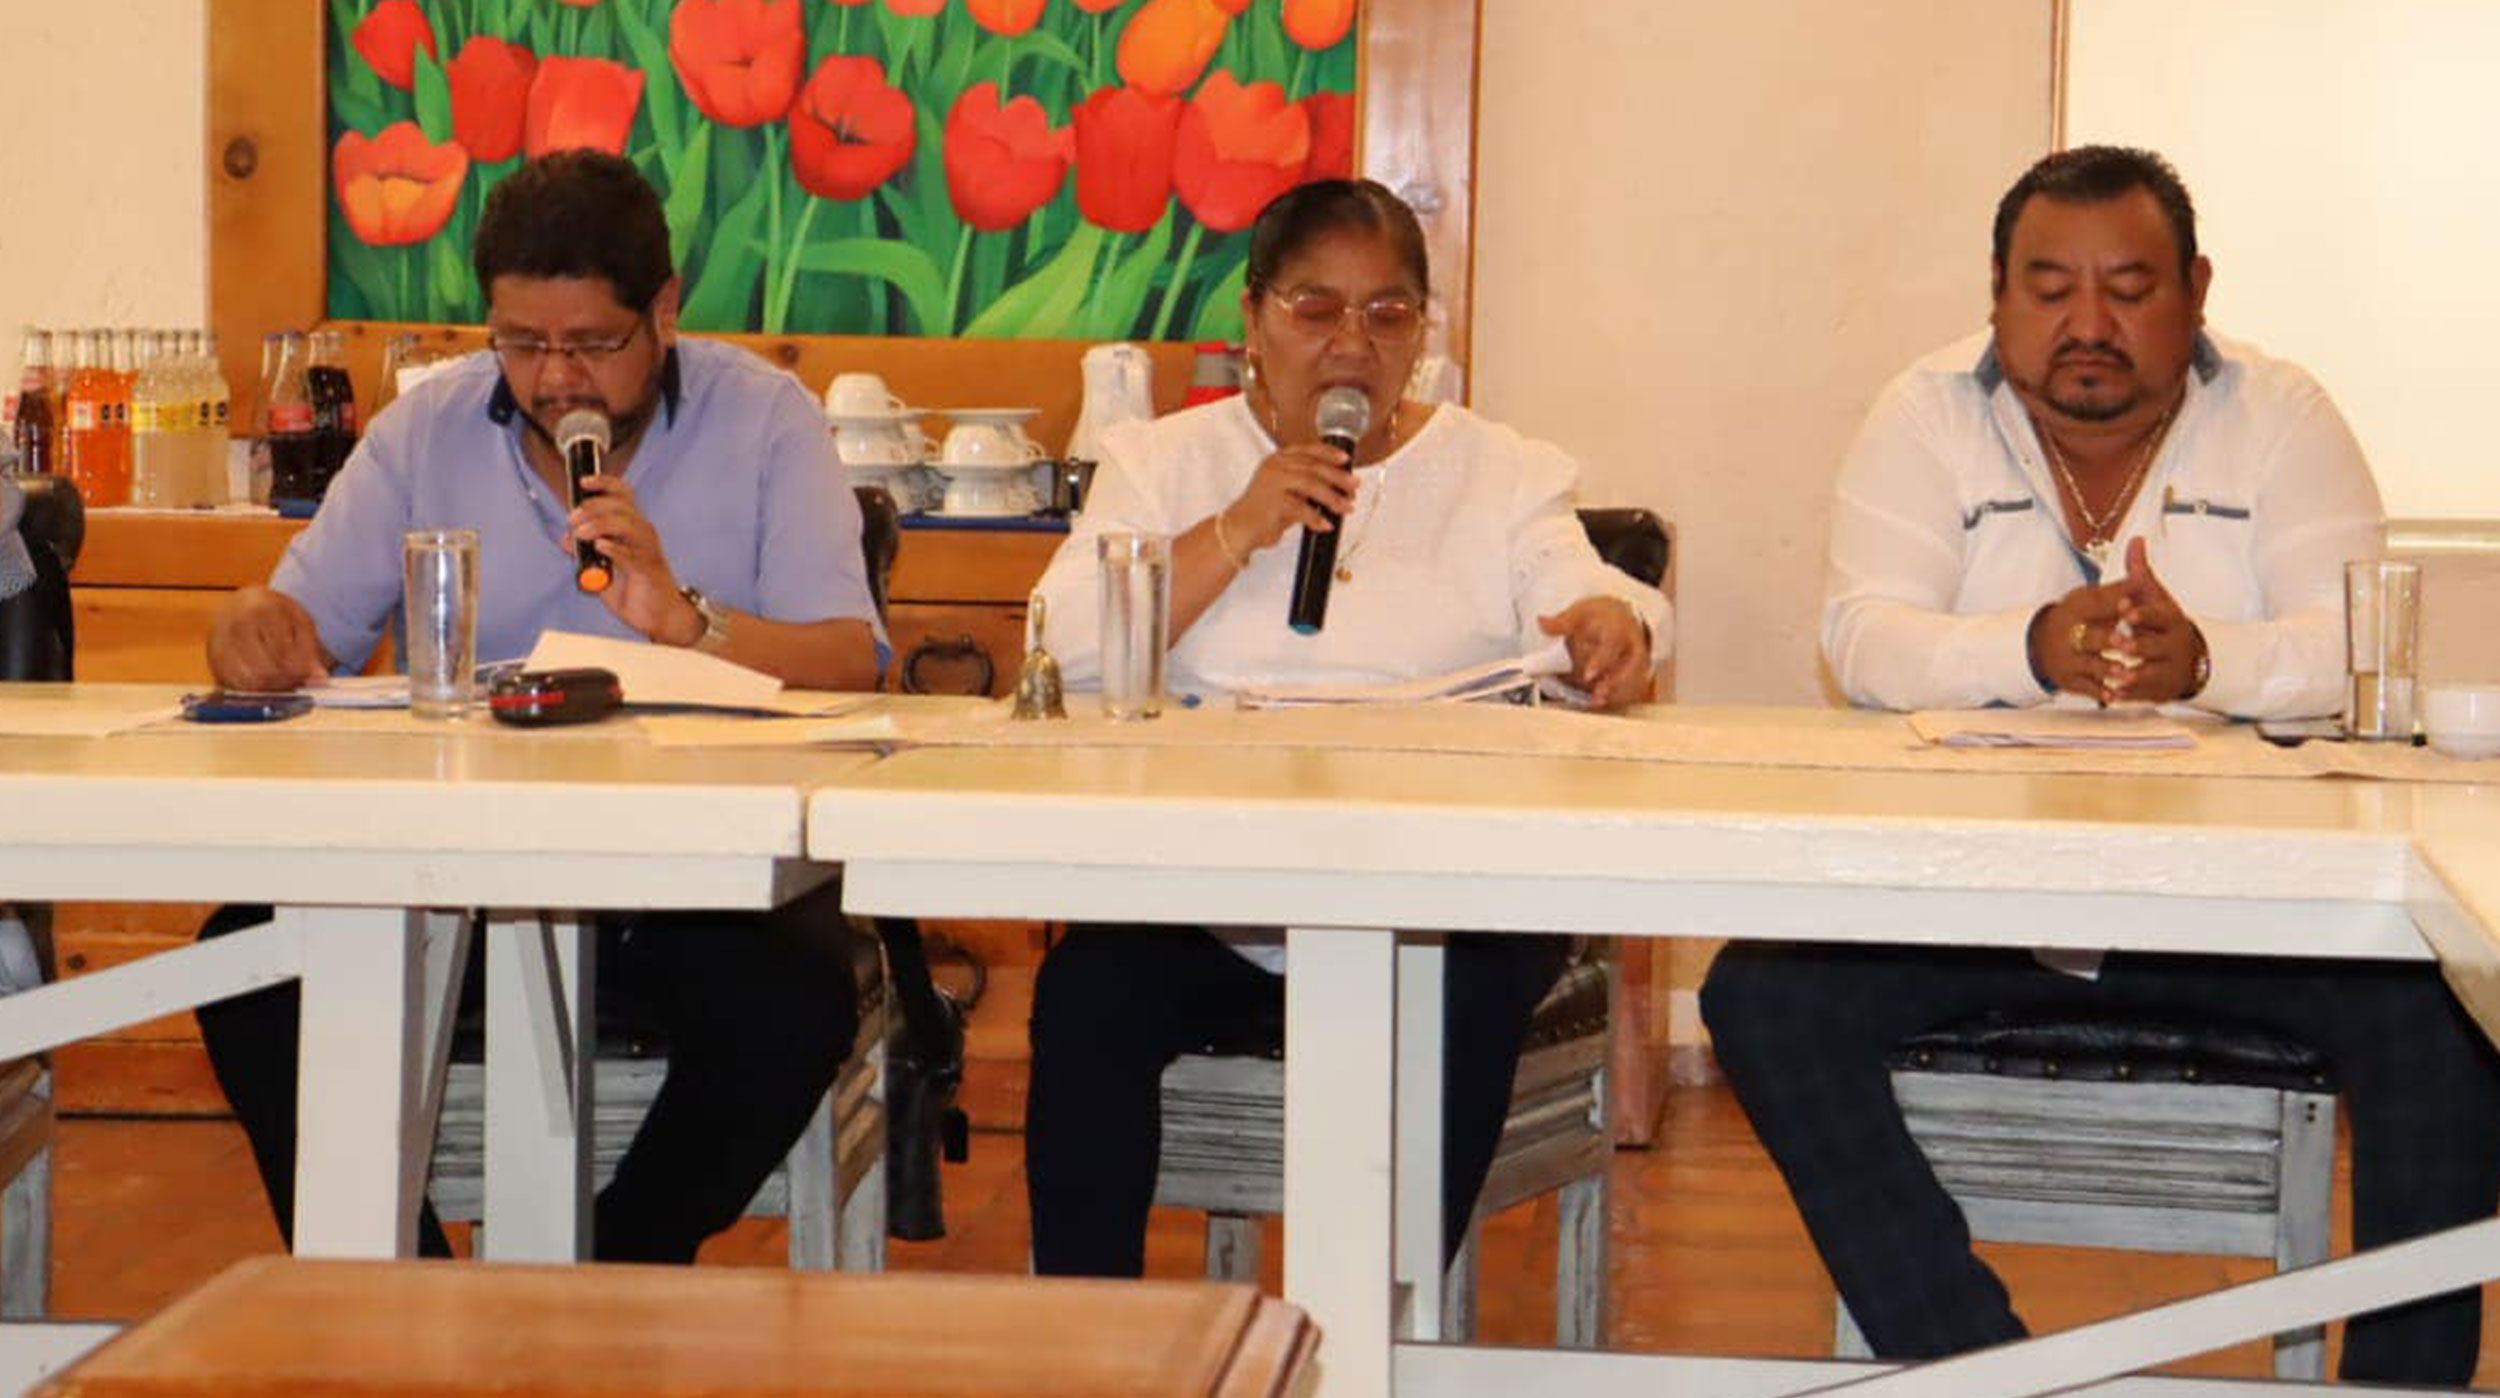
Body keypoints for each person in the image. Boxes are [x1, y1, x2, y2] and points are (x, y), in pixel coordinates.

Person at [1703, 145, 2500, 1385]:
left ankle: (2397, 1389)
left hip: (2244, 908)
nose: (2088, 325)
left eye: (2128, 290)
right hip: (1979, 901)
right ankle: (1979, 1367)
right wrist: (2027, 646)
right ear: (1996, 294)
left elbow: (2354, 647)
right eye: (2049, 288)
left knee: (2446, 1025)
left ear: (2195, 291)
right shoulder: (1924, 414)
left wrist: (2208, 661)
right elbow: (1862, 640)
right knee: (1762, 997)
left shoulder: (2282, 417)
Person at [195, 149, 885, 1263]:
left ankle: (601, 1280)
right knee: (250, 968)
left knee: (791, 1006)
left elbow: (851, 663)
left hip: (695, 873)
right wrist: (248, 628)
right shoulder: (426, 429)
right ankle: (406, 1292)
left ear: (664, 311)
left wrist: (688, 622)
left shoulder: (766, 419)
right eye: (520, 343)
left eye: (593, 344)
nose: (557, 379)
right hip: (458, 863)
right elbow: (296, 626)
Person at [1021, 178, 1672, 1276]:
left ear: (1421, 332)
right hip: (1214, 895)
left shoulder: (1500, 470)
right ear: (1253, 317)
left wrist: (1617, 624)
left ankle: (1372, 1322)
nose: (1351, 345)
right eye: (1315, 309)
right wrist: (1238, 526)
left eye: (1387, 314)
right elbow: (1062, 646)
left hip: (1439, 898)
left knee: (1471, 977)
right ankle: (1096, 1340)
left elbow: (1589, 596)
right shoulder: (1161, 464)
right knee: (1089, 991)